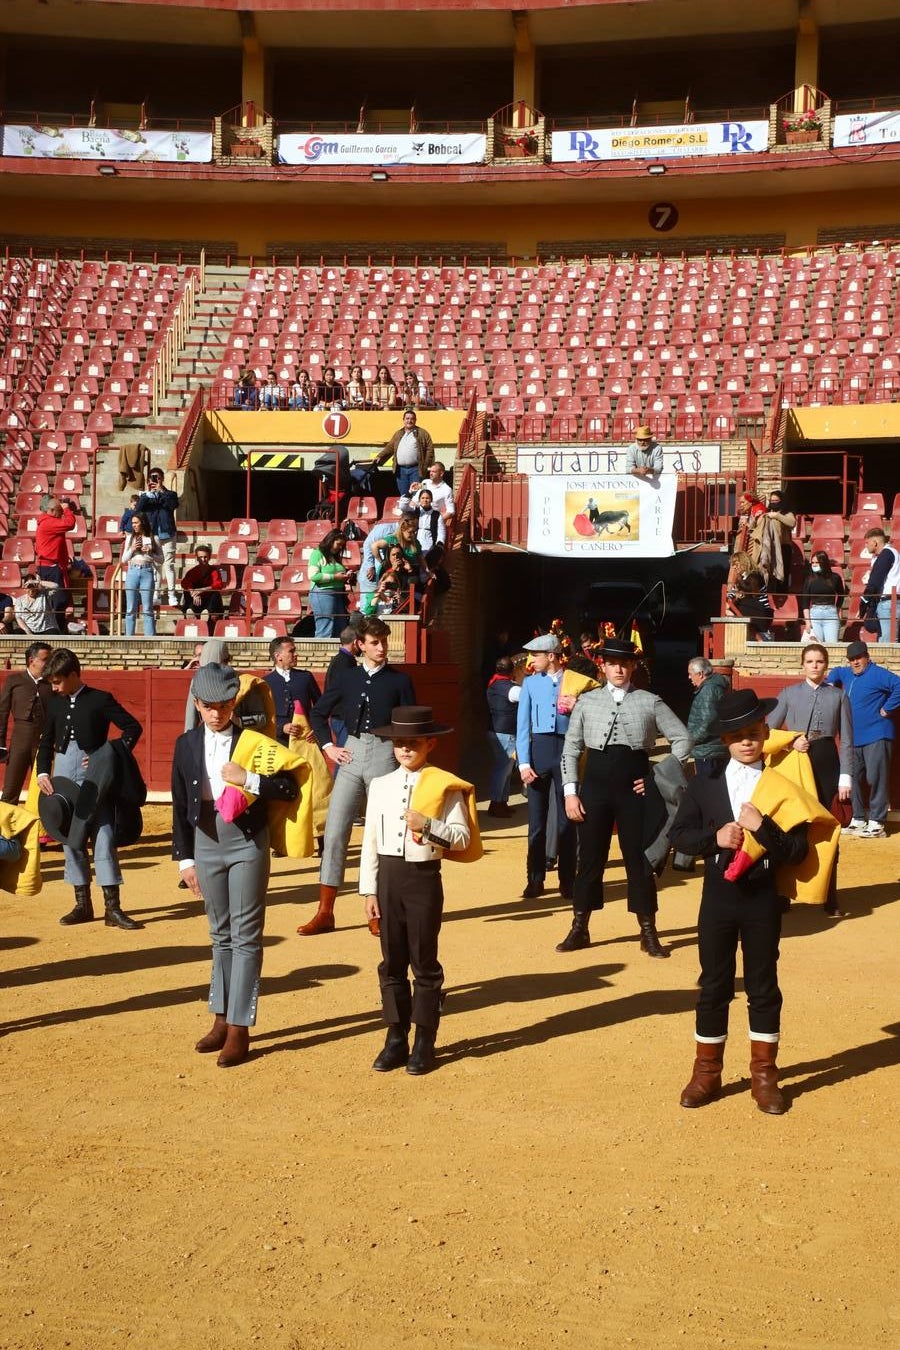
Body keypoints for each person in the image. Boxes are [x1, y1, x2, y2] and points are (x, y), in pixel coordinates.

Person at [669, 689, 810, 1116]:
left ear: (766, 733)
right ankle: (706, 1072)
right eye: (737, 735)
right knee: (713, 984)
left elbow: (797, 852)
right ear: (725, 740)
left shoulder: (782, 787)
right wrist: (714, 839)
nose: (746, 742)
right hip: (718, 897)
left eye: (753, 733)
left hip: (763, 898)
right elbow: (678, 836)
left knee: (763, 985)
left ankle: (764, 1076)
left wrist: (761, 827)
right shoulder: (704, 783)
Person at [172, 663, 301, 1069]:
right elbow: (179, 806)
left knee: (245, 936)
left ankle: (240, 1027)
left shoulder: (254, 744)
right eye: (209, 706)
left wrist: (249, 779)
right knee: (219, 934)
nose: (216, 714)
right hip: (207, 841)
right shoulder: (186, 744)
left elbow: (289, 786)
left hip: (246, 841)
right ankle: (221, 1017)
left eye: (224, 706)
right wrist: (185, 859)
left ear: (234, 704)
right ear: (196, 704)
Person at [360, 706, 477, 1076]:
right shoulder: (380, 785)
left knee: (423, 961)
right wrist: (368, 891)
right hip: (388, 878)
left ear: (429, 744)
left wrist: (427, 825)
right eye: (399, 743)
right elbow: (370, 842)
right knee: (391, 961)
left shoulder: (443, 785)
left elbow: (461, 839)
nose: (405, 750)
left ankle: (425, 1039)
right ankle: (396, 1037)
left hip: (423, 877)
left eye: (412, 743)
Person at [559, 636, 692, 956]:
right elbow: (571, 748)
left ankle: (648, 931)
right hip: (594, 788)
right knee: (590, 858)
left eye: (625, 663)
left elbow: (683, 740)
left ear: (633, 666)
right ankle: (580, 927)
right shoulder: (587, 702)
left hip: (636, 788)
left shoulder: (650, 701)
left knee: (640, 859)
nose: (619, 668)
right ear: (603, 667)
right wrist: (570, 793)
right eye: (612, 663)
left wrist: (657, 776)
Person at [304, 616, 416, 935]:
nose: (382, 648)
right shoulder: (347, 678)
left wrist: (403, 762)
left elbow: (410, 726)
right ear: (361, 645)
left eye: (384, 642)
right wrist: (329, 746)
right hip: (351, 752)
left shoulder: (400, 681)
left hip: (384, 754)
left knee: (381, 833)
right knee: (336, 830)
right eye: (375, 643)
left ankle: (377, 908)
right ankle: (325, 911)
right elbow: (317, 712)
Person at [36, 647, 143, 930]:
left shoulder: (99, 699)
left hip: (96, 777)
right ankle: (82, 905)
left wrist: (107, 753)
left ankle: (113, 909)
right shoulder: (56, 703)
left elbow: (132, 728)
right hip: (63, 773)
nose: (54, 687)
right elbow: (46, 740)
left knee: (104, 836)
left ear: (73, 675)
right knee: (71, 838)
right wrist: (43, 771)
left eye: (58, 681)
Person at [767, 643, 853, 915]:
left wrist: (846, 776)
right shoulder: (789, 693)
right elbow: (768, 732)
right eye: (810, 661)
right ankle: (782, 893)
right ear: (802, 665)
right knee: (791, 826)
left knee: (828, 829)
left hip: (827, 759)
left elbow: (848, 740)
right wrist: (791, 742)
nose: (814, 665)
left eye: (819, 661)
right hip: (796, 762)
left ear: (826, 665)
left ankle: (831, 895)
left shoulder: (838, 696)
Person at [516, 633, 576, 903]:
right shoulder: (529, 683)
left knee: (568, 819)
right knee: (536, 822)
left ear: (551, 656)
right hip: (539, 752)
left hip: (567, 751)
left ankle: (567, 880)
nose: (532, 660)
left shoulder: (574, 682)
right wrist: (524, 763)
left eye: (536, 655)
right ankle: (535, 879)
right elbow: (522, 726)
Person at [827, 639, 900, 838]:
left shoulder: (878, 674)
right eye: (851, 659)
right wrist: (830, 681)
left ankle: (877, 823)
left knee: (876, 778)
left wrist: (887, 709)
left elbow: (899, 685)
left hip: (877, 734)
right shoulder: (847, 672)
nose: (855, 662)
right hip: (854, 738)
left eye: (859, 658)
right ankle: (858, 818)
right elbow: (836, 672)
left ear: (867, 657)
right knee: (855, 778)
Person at [0, 642, 53, 804]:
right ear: (32, 660)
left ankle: (42, 829)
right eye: (46, 659)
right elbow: (2, 712)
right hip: (20, 737)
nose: (49, 664)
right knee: (11, 788)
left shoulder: (52, 682)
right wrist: (0, 743)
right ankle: (4, 829)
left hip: (45, 739)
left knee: (46, 789)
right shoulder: (14, 680)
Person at [263, 636, 320, 747]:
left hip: (306, 739)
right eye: (291, 651)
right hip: (278, 741)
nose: (296, 654)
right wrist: (281, 727)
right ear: (278, 656)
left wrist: (316, 729)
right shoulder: (266, 682)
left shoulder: (306, 677)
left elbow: (320, 707)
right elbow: (263, 715)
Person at [136, 467, 180, 606]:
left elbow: (173, 505)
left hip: (168, 533)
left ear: (162, 479)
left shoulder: (170, 494)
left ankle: (172, 594)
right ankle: (157, 594)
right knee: (156, 565)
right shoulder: (146, 496)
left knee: (169, 565)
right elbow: (138, 509)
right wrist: (147, 494)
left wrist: (161, 490)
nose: (155, 481)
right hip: (153, 534)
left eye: (158, 478)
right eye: (152, 478)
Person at [486, 655, 520, 817]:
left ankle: (501, 801)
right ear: (512, 671)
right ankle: (496, 803)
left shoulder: (494, 683)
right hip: (506, 733)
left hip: (495, 730)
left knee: (505, 769)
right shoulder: (512, 689)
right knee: (504, 769)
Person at [35, 495, 78, 623]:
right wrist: (66, 509)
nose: (61, 514)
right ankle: (54, 629)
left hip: (53, 566)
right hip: (50, 568)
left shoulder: (47, 521)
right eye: (59, 511)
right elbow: (70, 523)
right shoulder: (49, 522)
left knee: (59, 600)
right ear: (52, 511)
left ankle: (56, 627)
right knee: (58, 601)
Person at [373, 409, 435, 497]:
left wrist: (425, 466)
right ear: (403, 420)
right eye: (407, 418)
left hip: (416, 470)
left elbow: (430, 450)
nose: (409, 421)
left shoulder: (423, 433)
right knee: (403, 495)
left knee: (417, 494)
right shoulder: (398, 434)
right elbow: (390, 447)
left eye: (412, 419)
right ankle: (406, 511)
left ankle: (416, 511)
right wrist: (379, 456)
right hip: (400, 470)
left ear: (415, 420)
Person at [686, 657, 729, 778]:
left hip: (709, 751)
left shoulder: (709, 690)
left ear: (700, 674)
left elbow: (708, 723)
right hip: (712, 750)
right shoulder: (713, 686)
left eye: (690, 674)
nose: (689, 677)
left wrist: (691, 739)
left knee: (708, 788)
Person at [121, 512, 162, 637]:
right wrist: (132, 549)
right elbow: (123, 559)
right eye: (132, 523)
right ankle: (129, 637)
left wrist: (150, 553)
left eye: (136, 522)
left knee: (148, 608)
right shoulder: (130, 538)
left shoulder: (154, 538)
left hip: (147, 571)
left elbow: (161, 559)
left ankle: (150, 637)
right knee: (130, 608)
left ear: (142, 522)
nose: (133, 525)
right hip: (132, 570)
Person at [308, 528, 353, 638]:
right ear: (330, 540)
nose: (340, 547)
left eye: (342, 545)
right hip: (323, 593)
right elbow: (313, 576)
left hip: (338, 594)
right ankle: (320, 654)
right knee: (325, 628)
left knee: (341, 628)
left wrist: (346, 575)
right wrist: (335, 577)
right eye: (338, 544)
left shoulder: (334, 557)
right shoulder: (317, 554)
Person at [858, 527, 900, 644]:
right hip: (888, 601)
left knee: (889, 642)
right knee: (884, 640)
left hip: (890, 602)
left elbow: (875, 581)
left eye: (867, 543)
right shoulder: (887, 554)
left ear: (875, 542)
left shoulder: (886, 554)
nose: (866, 546)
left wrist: (864, 601)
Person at [324, 624, 359, 747]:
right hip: (343, 717)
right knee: (345, 756)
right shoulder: (344, 662)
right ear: (355, 642)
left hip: (339, 715)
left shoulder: (340, 660)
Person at [801, 550, 845, 644]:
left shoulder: (835, 578)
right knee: (816, 645)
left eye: (817, 562)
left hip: (830, 613)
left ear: (824, 563)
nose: (814, 565)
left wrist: (837, 609)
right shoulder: (809, 580)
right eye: (813, 563)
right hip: (815, 614)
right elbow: (805, 603)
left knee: (832, 645)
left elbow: (841, 595)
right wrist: (807, 622)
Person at [179, 543, 225, 621]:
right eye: (200, 557)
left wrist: (202, 590)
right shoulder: (192, 571)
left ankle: (207, 613)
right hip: (197, 601)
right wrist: (193, 593)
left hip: (209, 602)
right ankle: (190, 612)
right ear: (197, 558)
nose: (203, 559)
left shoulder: (214, 571)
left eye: (205, 557)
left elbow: (218, 584)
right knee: (186, 591)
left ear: (209, 557)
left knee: (215, 593)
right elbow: (185, 583)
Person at [412, 487, 446, 553]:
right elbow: (403, 506)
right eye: (423, 498)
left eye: (427, 498)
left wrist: (440, 543)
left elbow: (441, 530)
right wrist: (410, 492)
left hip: (429, 541)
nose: (425, 500)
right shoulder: (415, 510)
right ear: (419, 499)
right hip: (414, 539)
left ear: (431, 500)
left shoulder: (437, 514)